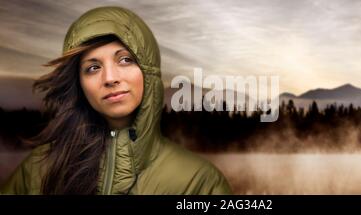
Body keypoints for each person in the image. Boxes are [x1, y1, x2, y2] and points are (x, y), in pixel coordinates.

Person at [0, 6, 232, 195]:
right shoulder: (39, 168)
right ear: (78, 83)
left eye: (125, 60)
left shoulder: (199, 180)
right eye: (93, 67)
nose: (110, 78)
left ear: (149, 71)